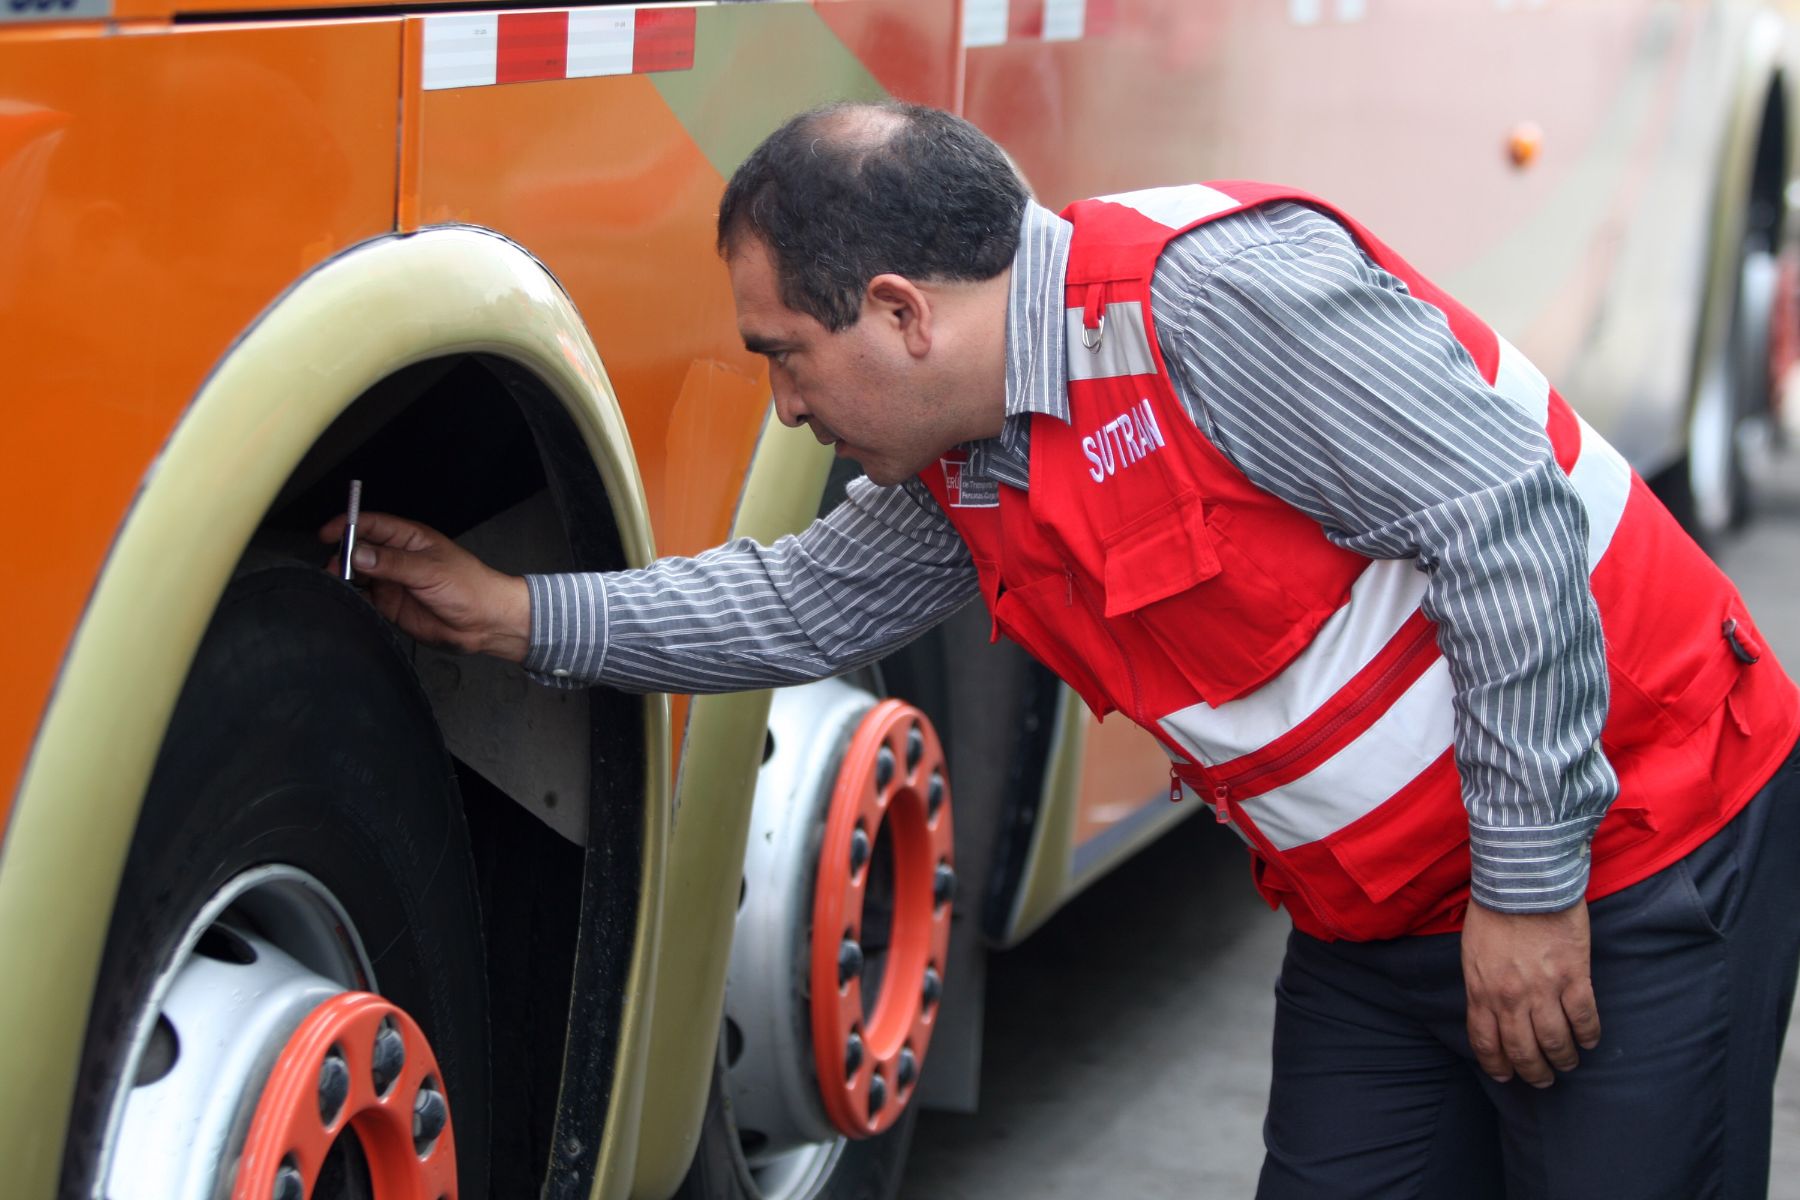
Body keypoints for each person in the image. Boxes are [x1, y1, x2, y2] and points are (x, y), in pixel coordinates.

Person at [323, 102, 1800, 1197]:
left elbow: (1503, 520)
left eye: (784, 353)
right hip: (1384, 926)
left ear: (900, 314)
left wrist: (1534, 890)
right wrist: (515, 615)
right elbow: (797, 604)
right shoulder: (973, 459)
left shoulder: (1211, 304)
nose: (784, 408)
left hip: (1637, 857)